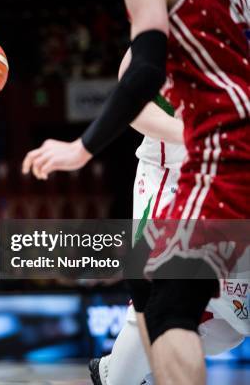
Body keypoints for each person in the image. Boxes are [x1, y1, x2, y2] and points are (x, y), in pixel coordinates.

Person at [23, 0, 249, 384]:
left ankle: (114, 375)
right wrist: (191, 132)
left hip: (216, 163)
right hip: (172, 169)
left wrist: (82, 149)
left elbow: (139, 75)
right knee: (194, 312)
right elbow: (136, 91)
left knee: (177, 307)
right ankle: (118, 373)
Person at [89, 95, 248, 385]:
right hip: (173, 178)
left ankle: (127, 368)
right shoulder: (157, 53)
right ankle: (118, 376)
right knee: (160, 298)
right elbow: (131, 104)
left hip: (231, 180)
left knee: (231, 328)